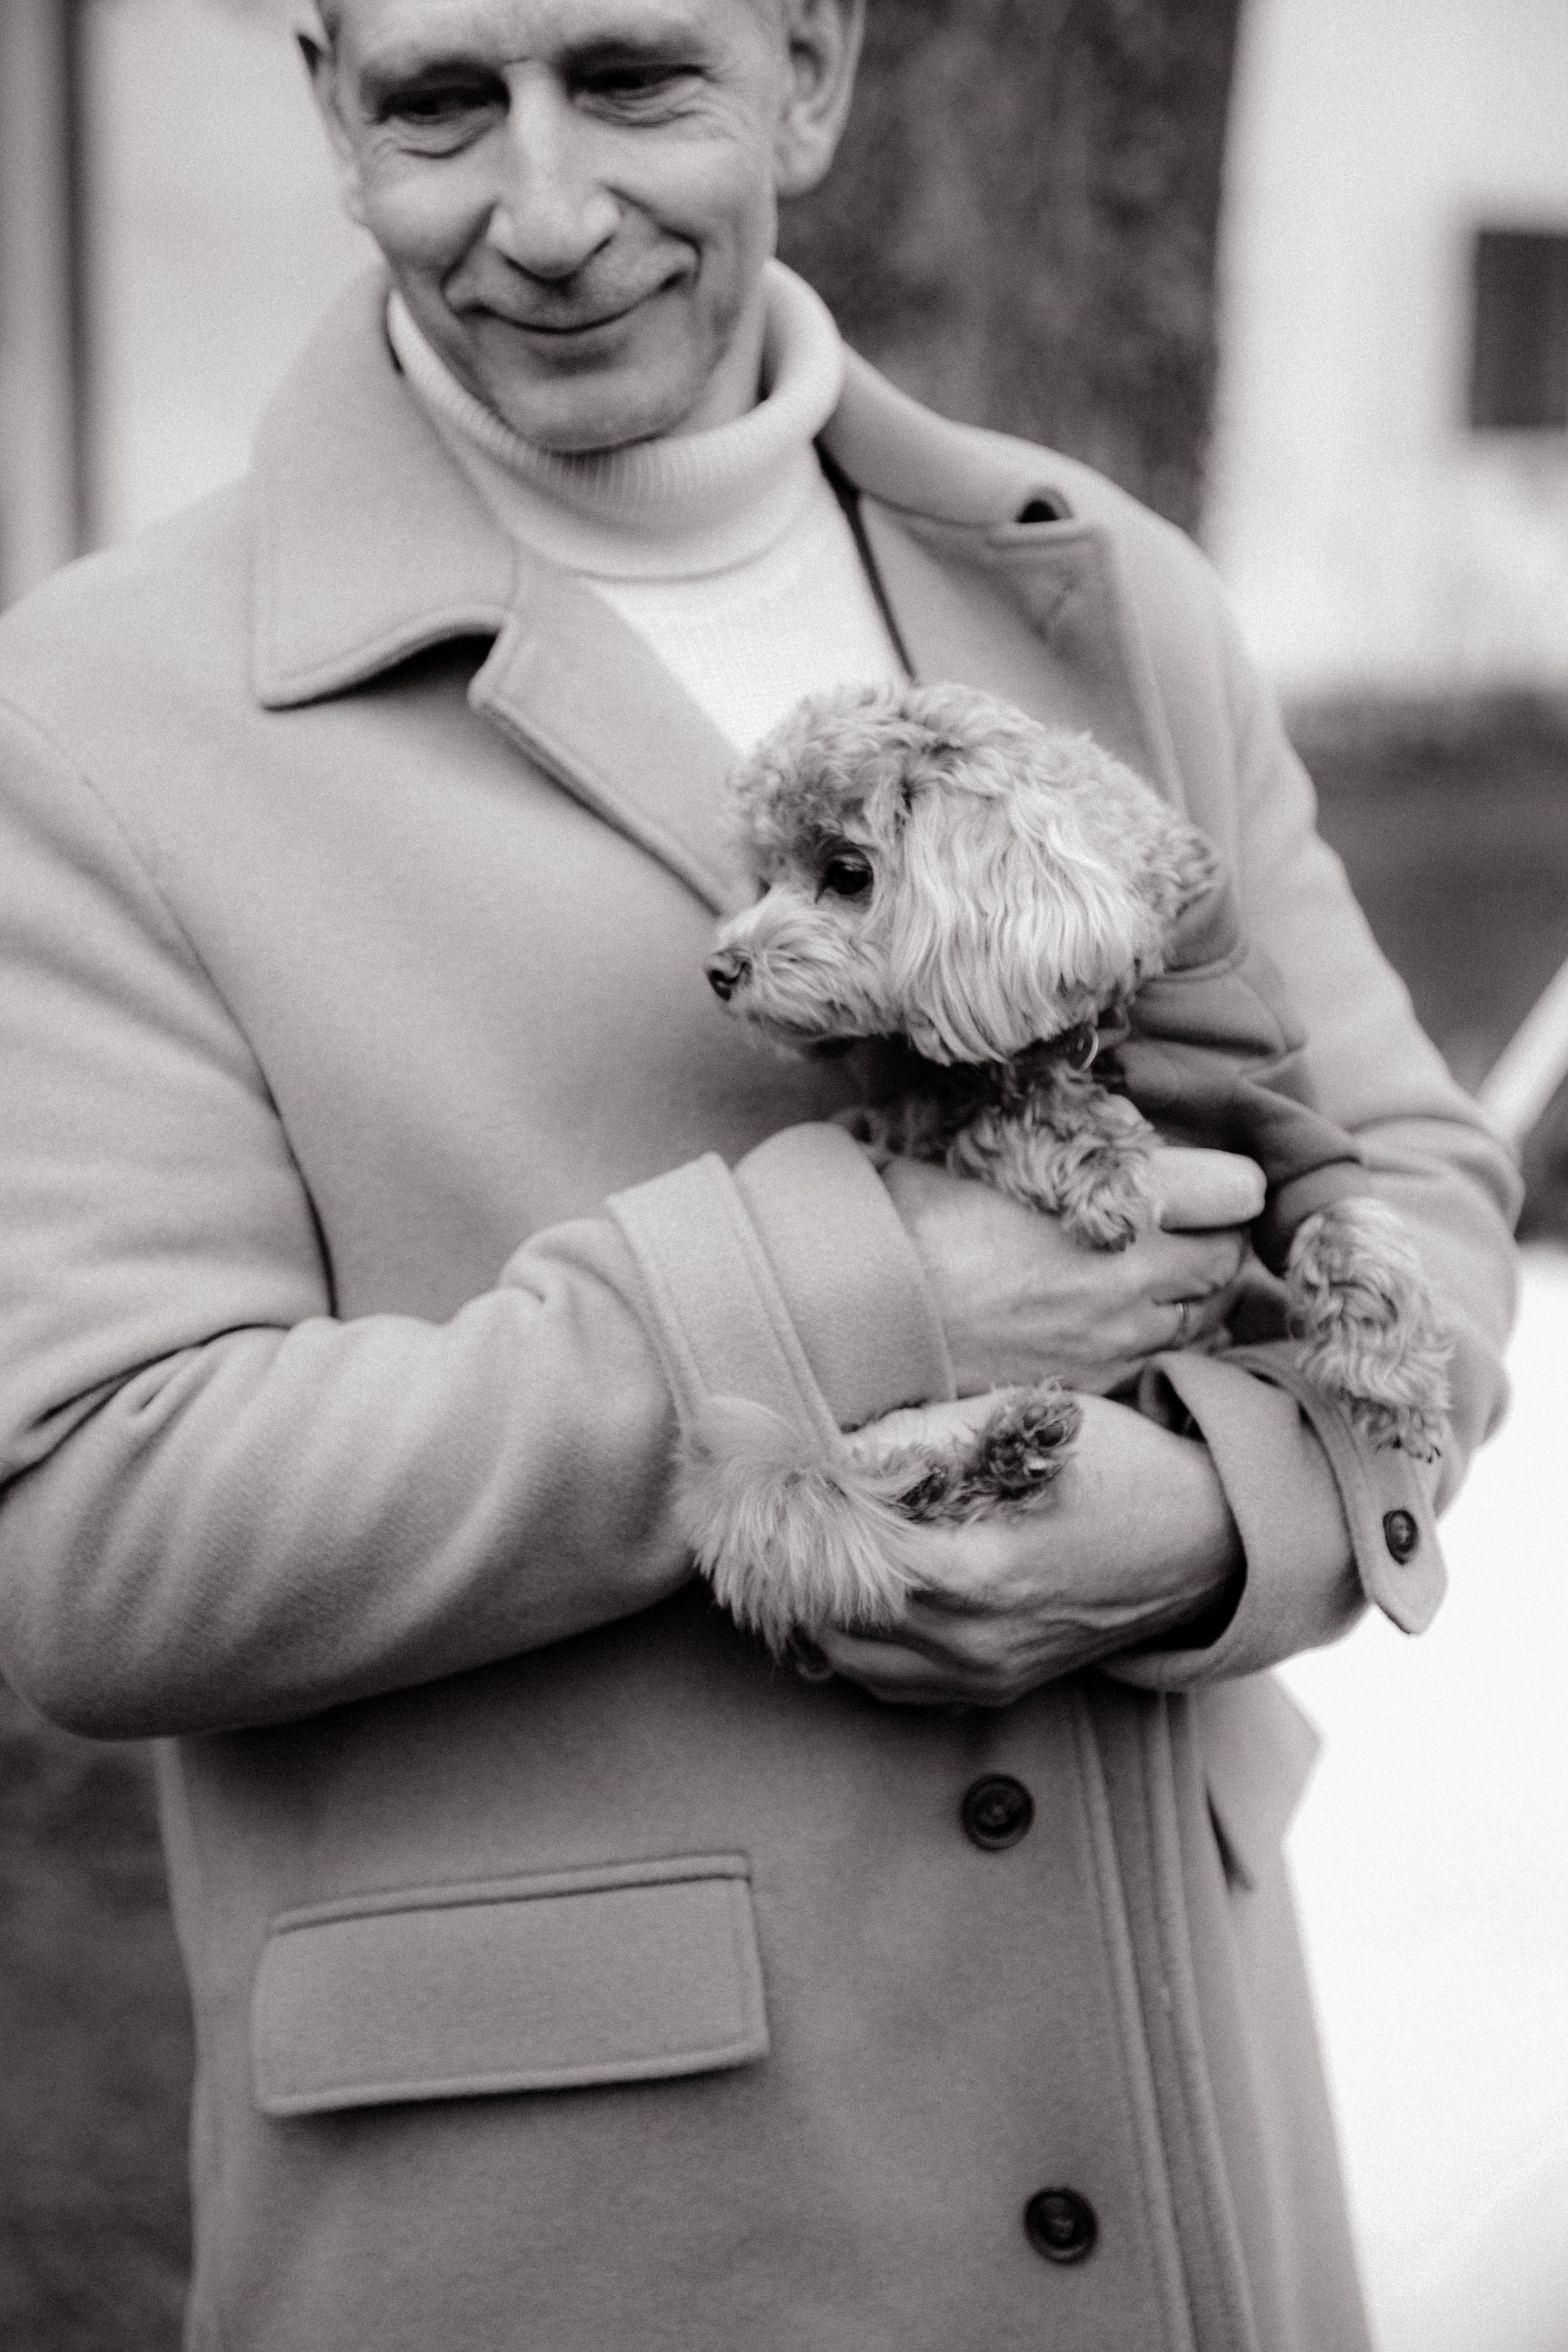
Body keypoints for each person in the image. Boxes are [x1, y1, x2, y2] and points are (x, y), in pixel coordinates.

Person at [0, 1, 1517, 2345]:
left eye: (630, 79)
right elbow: (99, 1541)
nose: (542, 209)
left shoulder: (1097, 578)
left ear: (808, 65)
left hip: (1189, 2151)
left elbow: (1410, 1172)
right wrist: (867, 1294)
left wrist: (1230, 1511)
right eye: (435, 103)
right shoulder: (90, 717)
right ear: (327, 107)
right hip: (575, 2241)